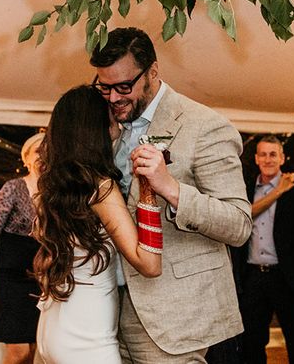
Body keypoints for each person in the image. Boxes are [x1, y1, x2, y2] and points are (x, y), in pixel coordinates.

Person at [90, 27, 252, 363]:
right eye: (104, 87)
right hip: (108, 312)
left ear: (152, 71)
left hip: (176, 319)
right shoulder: (106, 124)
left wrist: (172, 189)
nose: (113, 97)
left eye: (124, 86)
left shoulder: (204, 126)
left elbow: (239, 225)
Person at [33, 85, 163, 364]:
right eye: (111, 113)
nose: (117, 118)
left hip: (52, 327)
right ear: (94, 126)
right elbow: (149, 263)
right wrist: (149, 190)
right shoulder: (100, 187)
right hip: (87, 338)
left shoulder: (58, 185)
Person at [236, 135, 294, 364]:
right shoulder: (245, 189)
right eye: (263, 154)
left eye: (273, 154)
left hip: (285, 276)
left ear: (282, 158)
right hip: (252, 276)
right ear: (255, 158)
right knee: (251, 341)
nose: (268, 159)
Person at [0, 132, 45, 364]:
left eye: (47, 152)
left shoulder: (54, 193)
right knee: (18, 353)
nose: (42, 157)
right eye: (38, 151)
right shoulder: (12, 188)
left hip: (37, 280)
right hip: (7, 278)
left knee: (34, 349)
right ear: (26, 158)